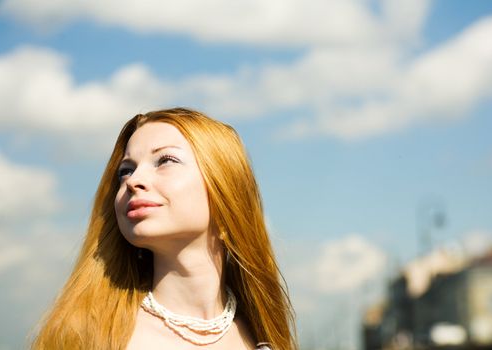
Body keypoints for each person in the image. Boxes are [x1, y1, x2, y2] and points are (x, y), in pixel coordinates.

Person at [32, 108, 297, 349]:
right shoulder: (86, 336)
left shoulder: (262, 336)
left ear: (226, 187)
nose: (134, 180)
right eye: (125, 170)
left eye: (165, 160)